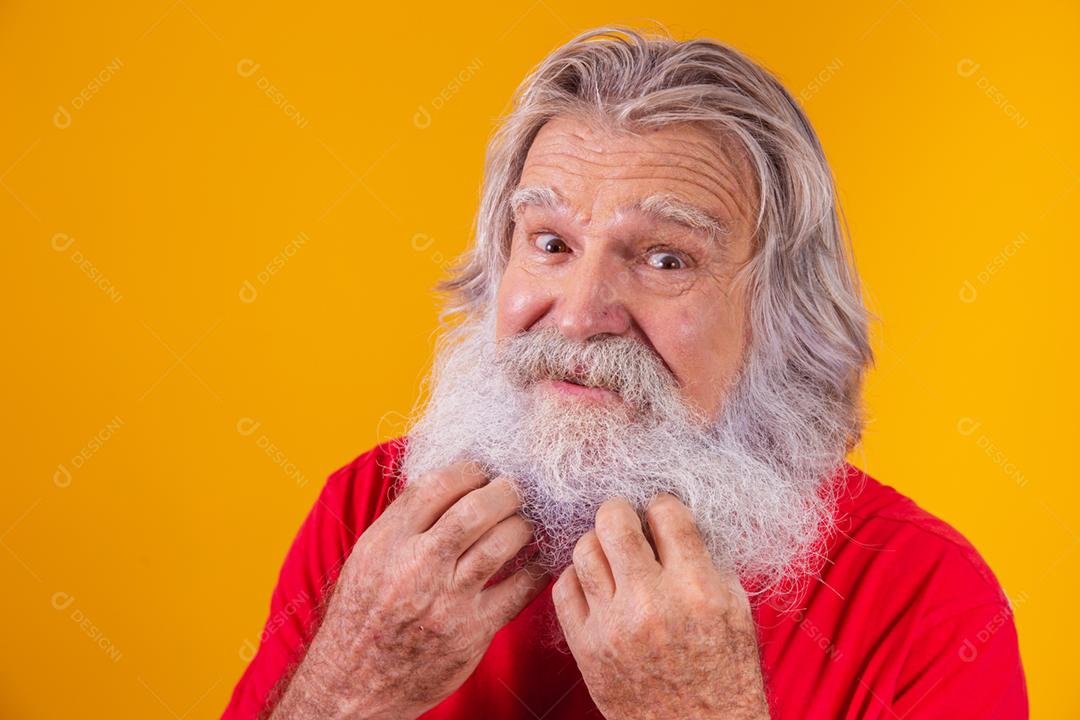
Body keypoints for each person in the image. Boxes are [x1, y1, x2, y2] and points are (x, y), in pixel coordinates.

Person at [222, 26, 1027, 719]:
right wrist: (348, 687)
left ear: (779, 313)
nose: (577, 314)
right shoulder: (373, 517)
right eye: (550, 244)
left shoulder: (923, 601)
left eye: (665, 257)